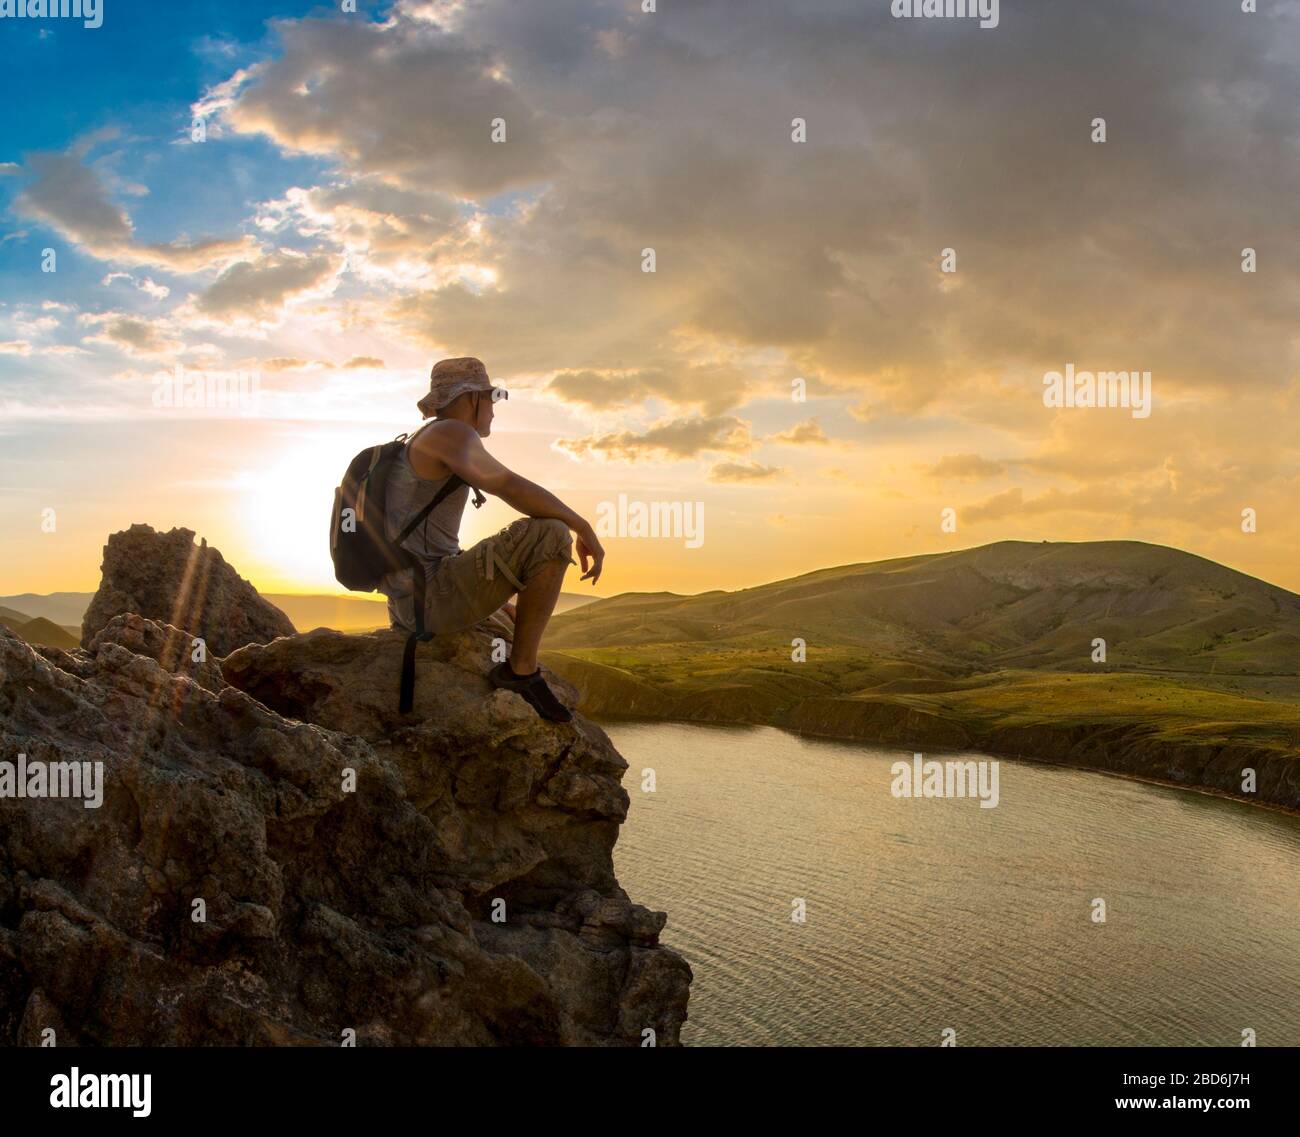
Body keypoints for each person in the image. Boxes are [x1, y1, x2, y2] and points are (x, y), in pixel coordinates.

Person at [378, 357, 604, 722]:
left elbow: (430, 547)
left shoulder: (425, 438)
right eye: (492, 399)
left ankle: (516, 657)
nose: (494, 412)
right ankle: (521, 672)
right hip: (430, 603)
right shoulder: (450, 432)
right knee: (550, 533)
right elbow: (507, 485)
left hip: (410, 605)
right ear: (471, 399)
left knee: (537, 548)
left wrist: (496, 605)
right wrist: (583, 526)